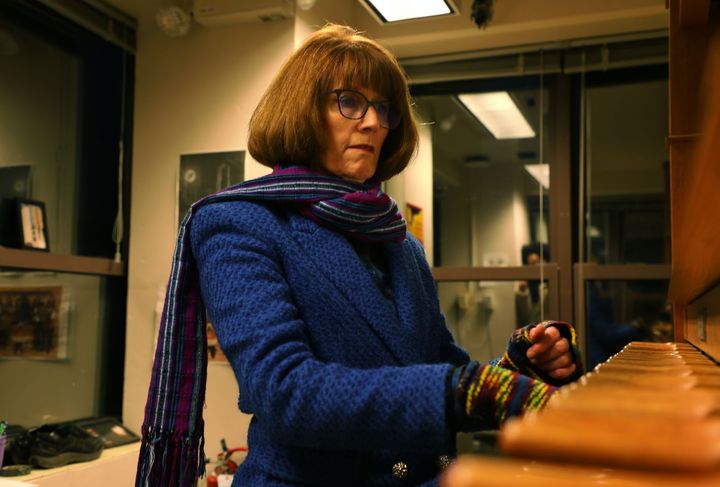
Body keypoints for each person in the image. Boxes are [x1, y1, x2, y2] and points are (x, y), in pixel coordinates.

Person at [136, 24, 583, 487]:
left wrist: (520, 366)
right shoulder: (239, 223)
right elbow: (284, 393)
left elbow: (440, 370)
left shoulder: (400, 242)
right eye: (349, 101)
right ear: (302, 109)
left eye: (384, 108)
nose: (373, 122)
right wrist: (469, 393)